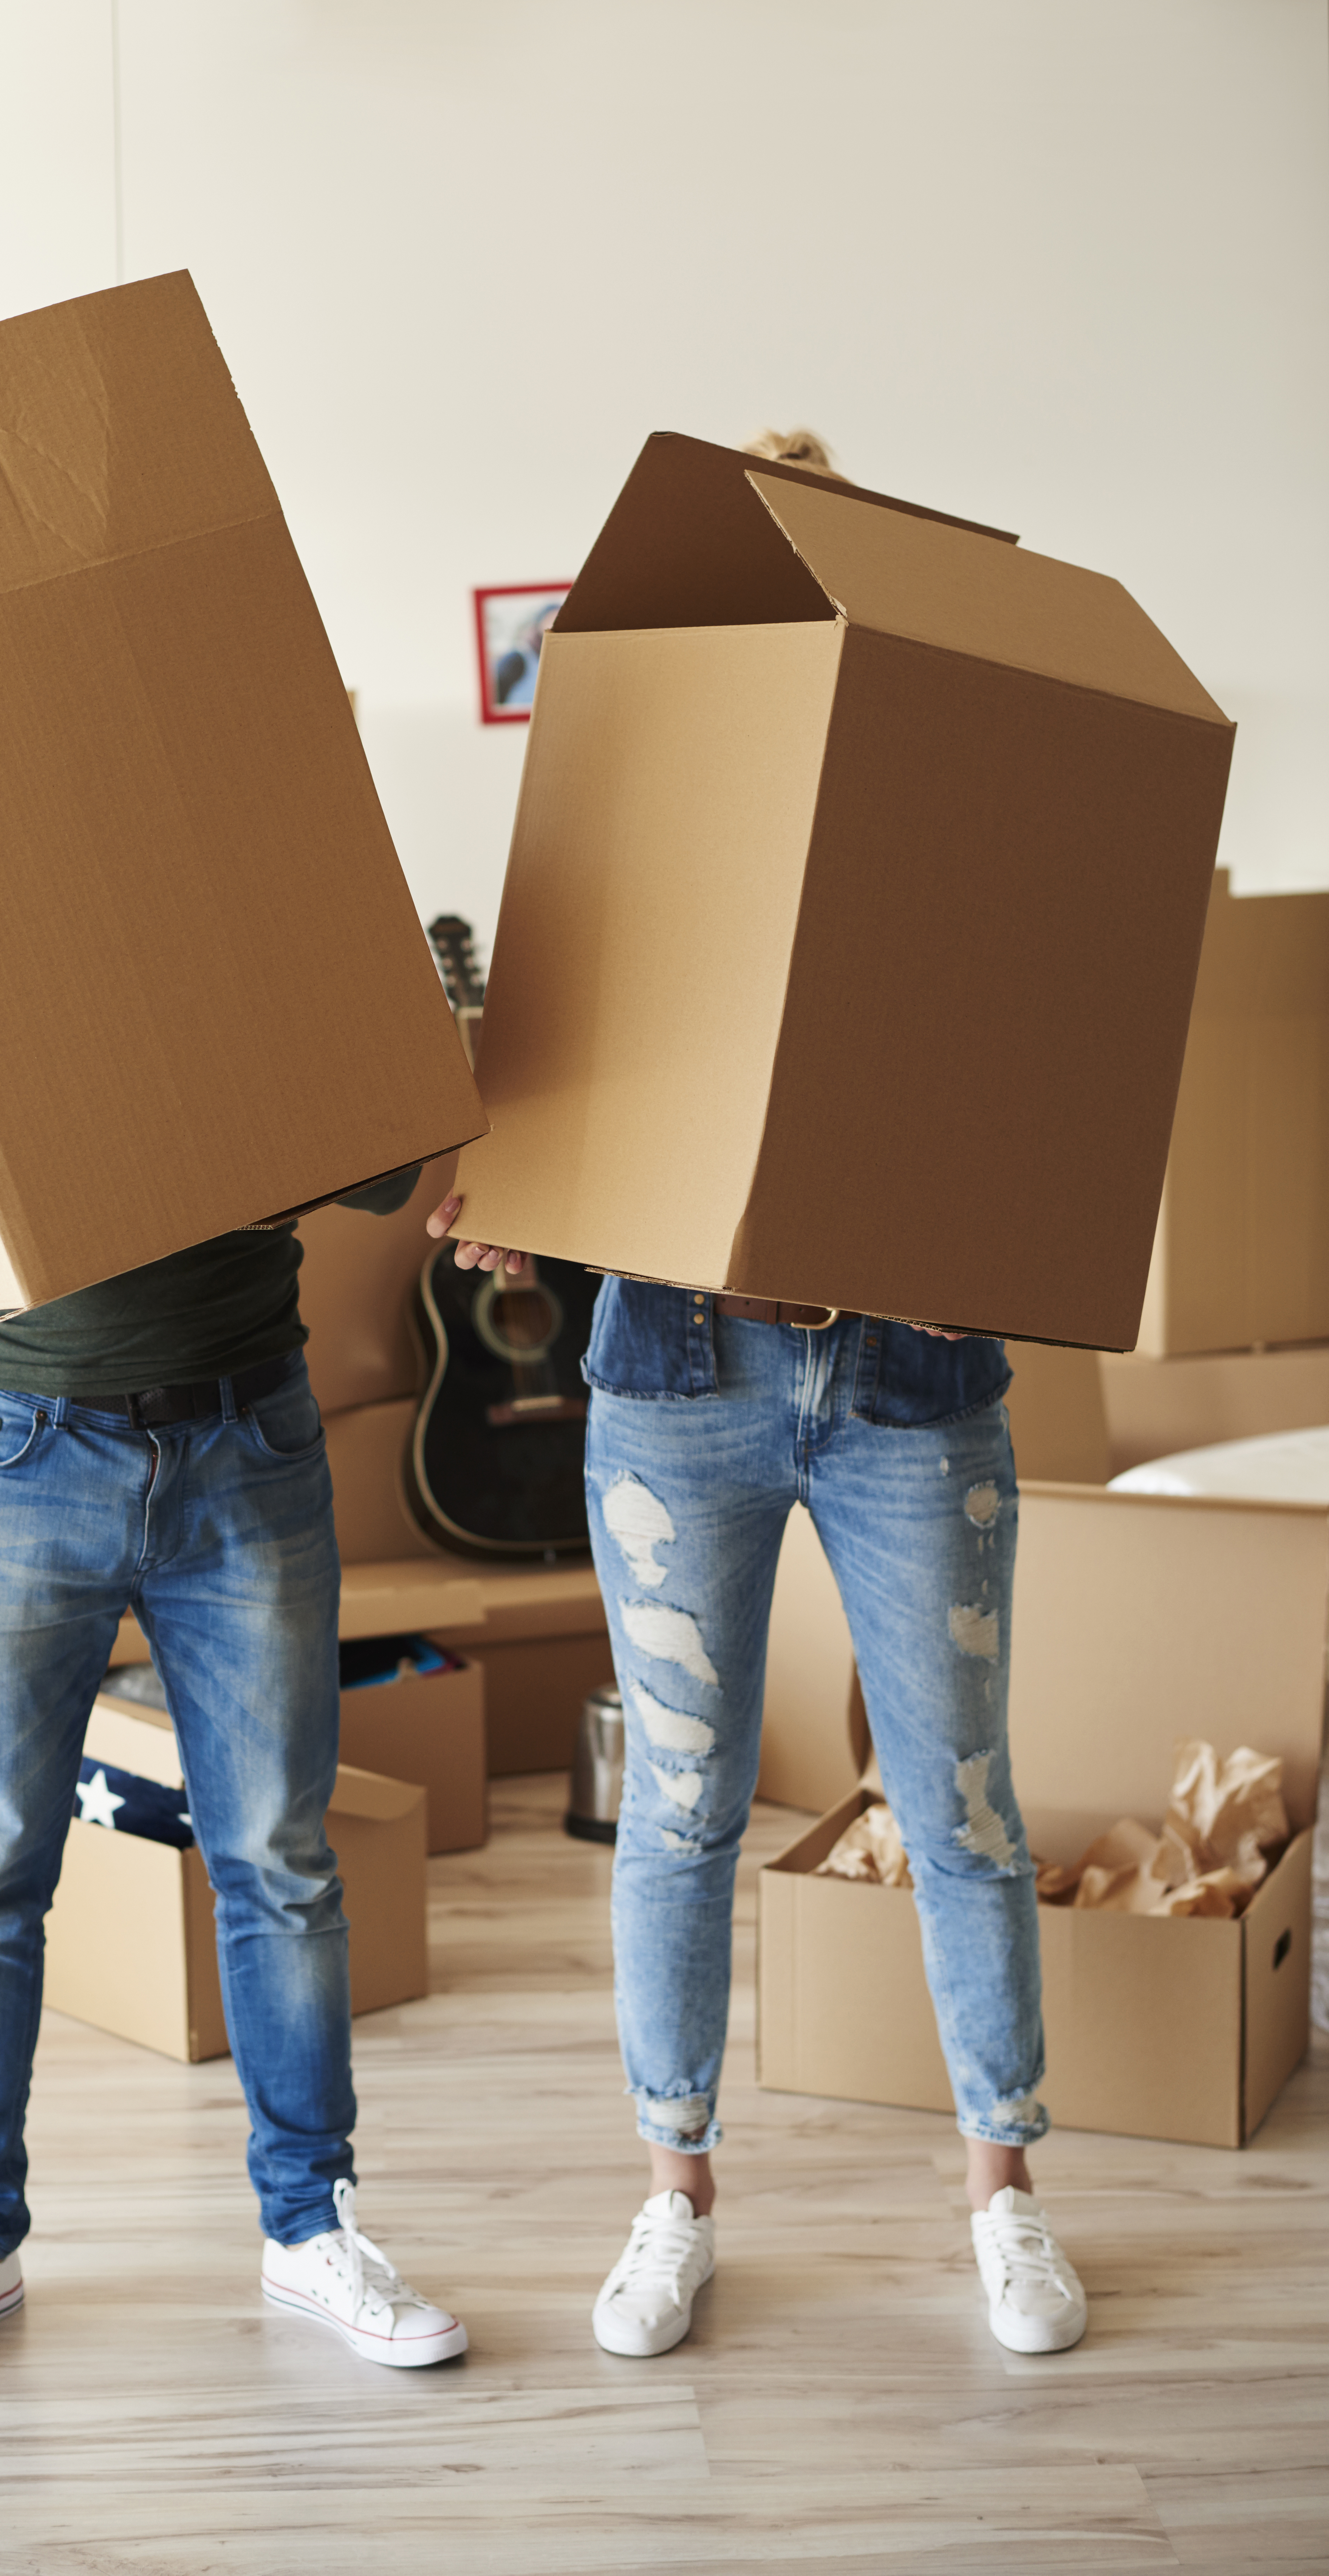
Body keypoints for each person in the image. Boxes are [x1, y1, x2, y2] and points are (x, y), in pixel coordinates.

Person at [424, 427, 1086, 2366]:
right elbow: (566, 1056)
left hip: (912, 1380)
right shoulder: (639, 806)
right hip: (676, 1381)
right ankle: (675, 2195)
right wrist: (518, 1194)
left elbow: (1037, 1091)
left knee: (959, 1796)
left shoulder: (960, 829)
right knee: (685, 1806)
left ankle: (1008, 2196)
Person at [0, 1123, 467, 2387]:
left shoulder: (279, 923)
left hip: (243, 1441)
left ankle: (311, 2224)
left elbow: (382, 1153)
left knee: (278, 1859)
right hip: (12, 1444)